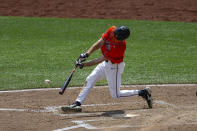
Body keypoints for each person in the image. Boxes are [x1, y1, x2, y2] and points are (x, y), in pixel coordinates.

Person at [61, 26, 152, 112]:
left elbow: (101, 59)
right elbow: (100, 42)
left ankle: (143, 92)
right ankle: (77, 103)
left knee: (116, 95)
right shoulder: (112, 30)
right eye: (114, 34)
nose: (113, 37)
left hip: (114, 67)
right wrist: (87, 54)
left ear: (121, 39)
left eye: (116, 37)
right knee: (90, 79)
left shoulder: (120, 47)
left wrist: (84, 65)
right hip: (105, 64)